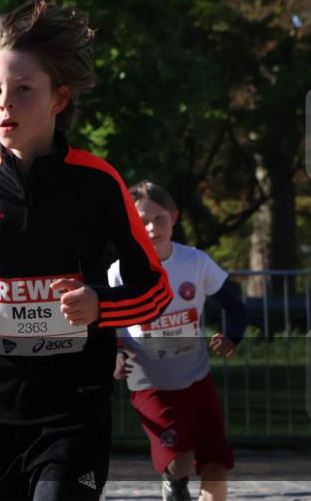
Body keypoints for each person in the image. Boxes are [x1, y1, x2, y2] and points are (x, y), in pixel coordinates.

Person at [0, 0, 174, 501]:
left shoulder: (99, 183)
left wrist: (100, 303)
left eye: (22, 89)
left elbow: (154, 287)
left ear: (59, 98)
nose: (5, 103)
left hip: (72, 411)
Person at [109, 181, 247, 501]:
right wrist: (116, 352)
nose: (152, 228)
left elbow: (235, 304)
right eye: (142, 220)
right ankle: (174, 485)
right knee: (180, 458)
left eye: (159, 219)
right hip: (149, 381)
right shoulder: (119, 272)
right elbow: (109, 321)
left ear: (174, 217)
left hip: (196, 377)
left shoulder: (195, 261)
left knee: (216, 464)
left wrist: (232, 335)